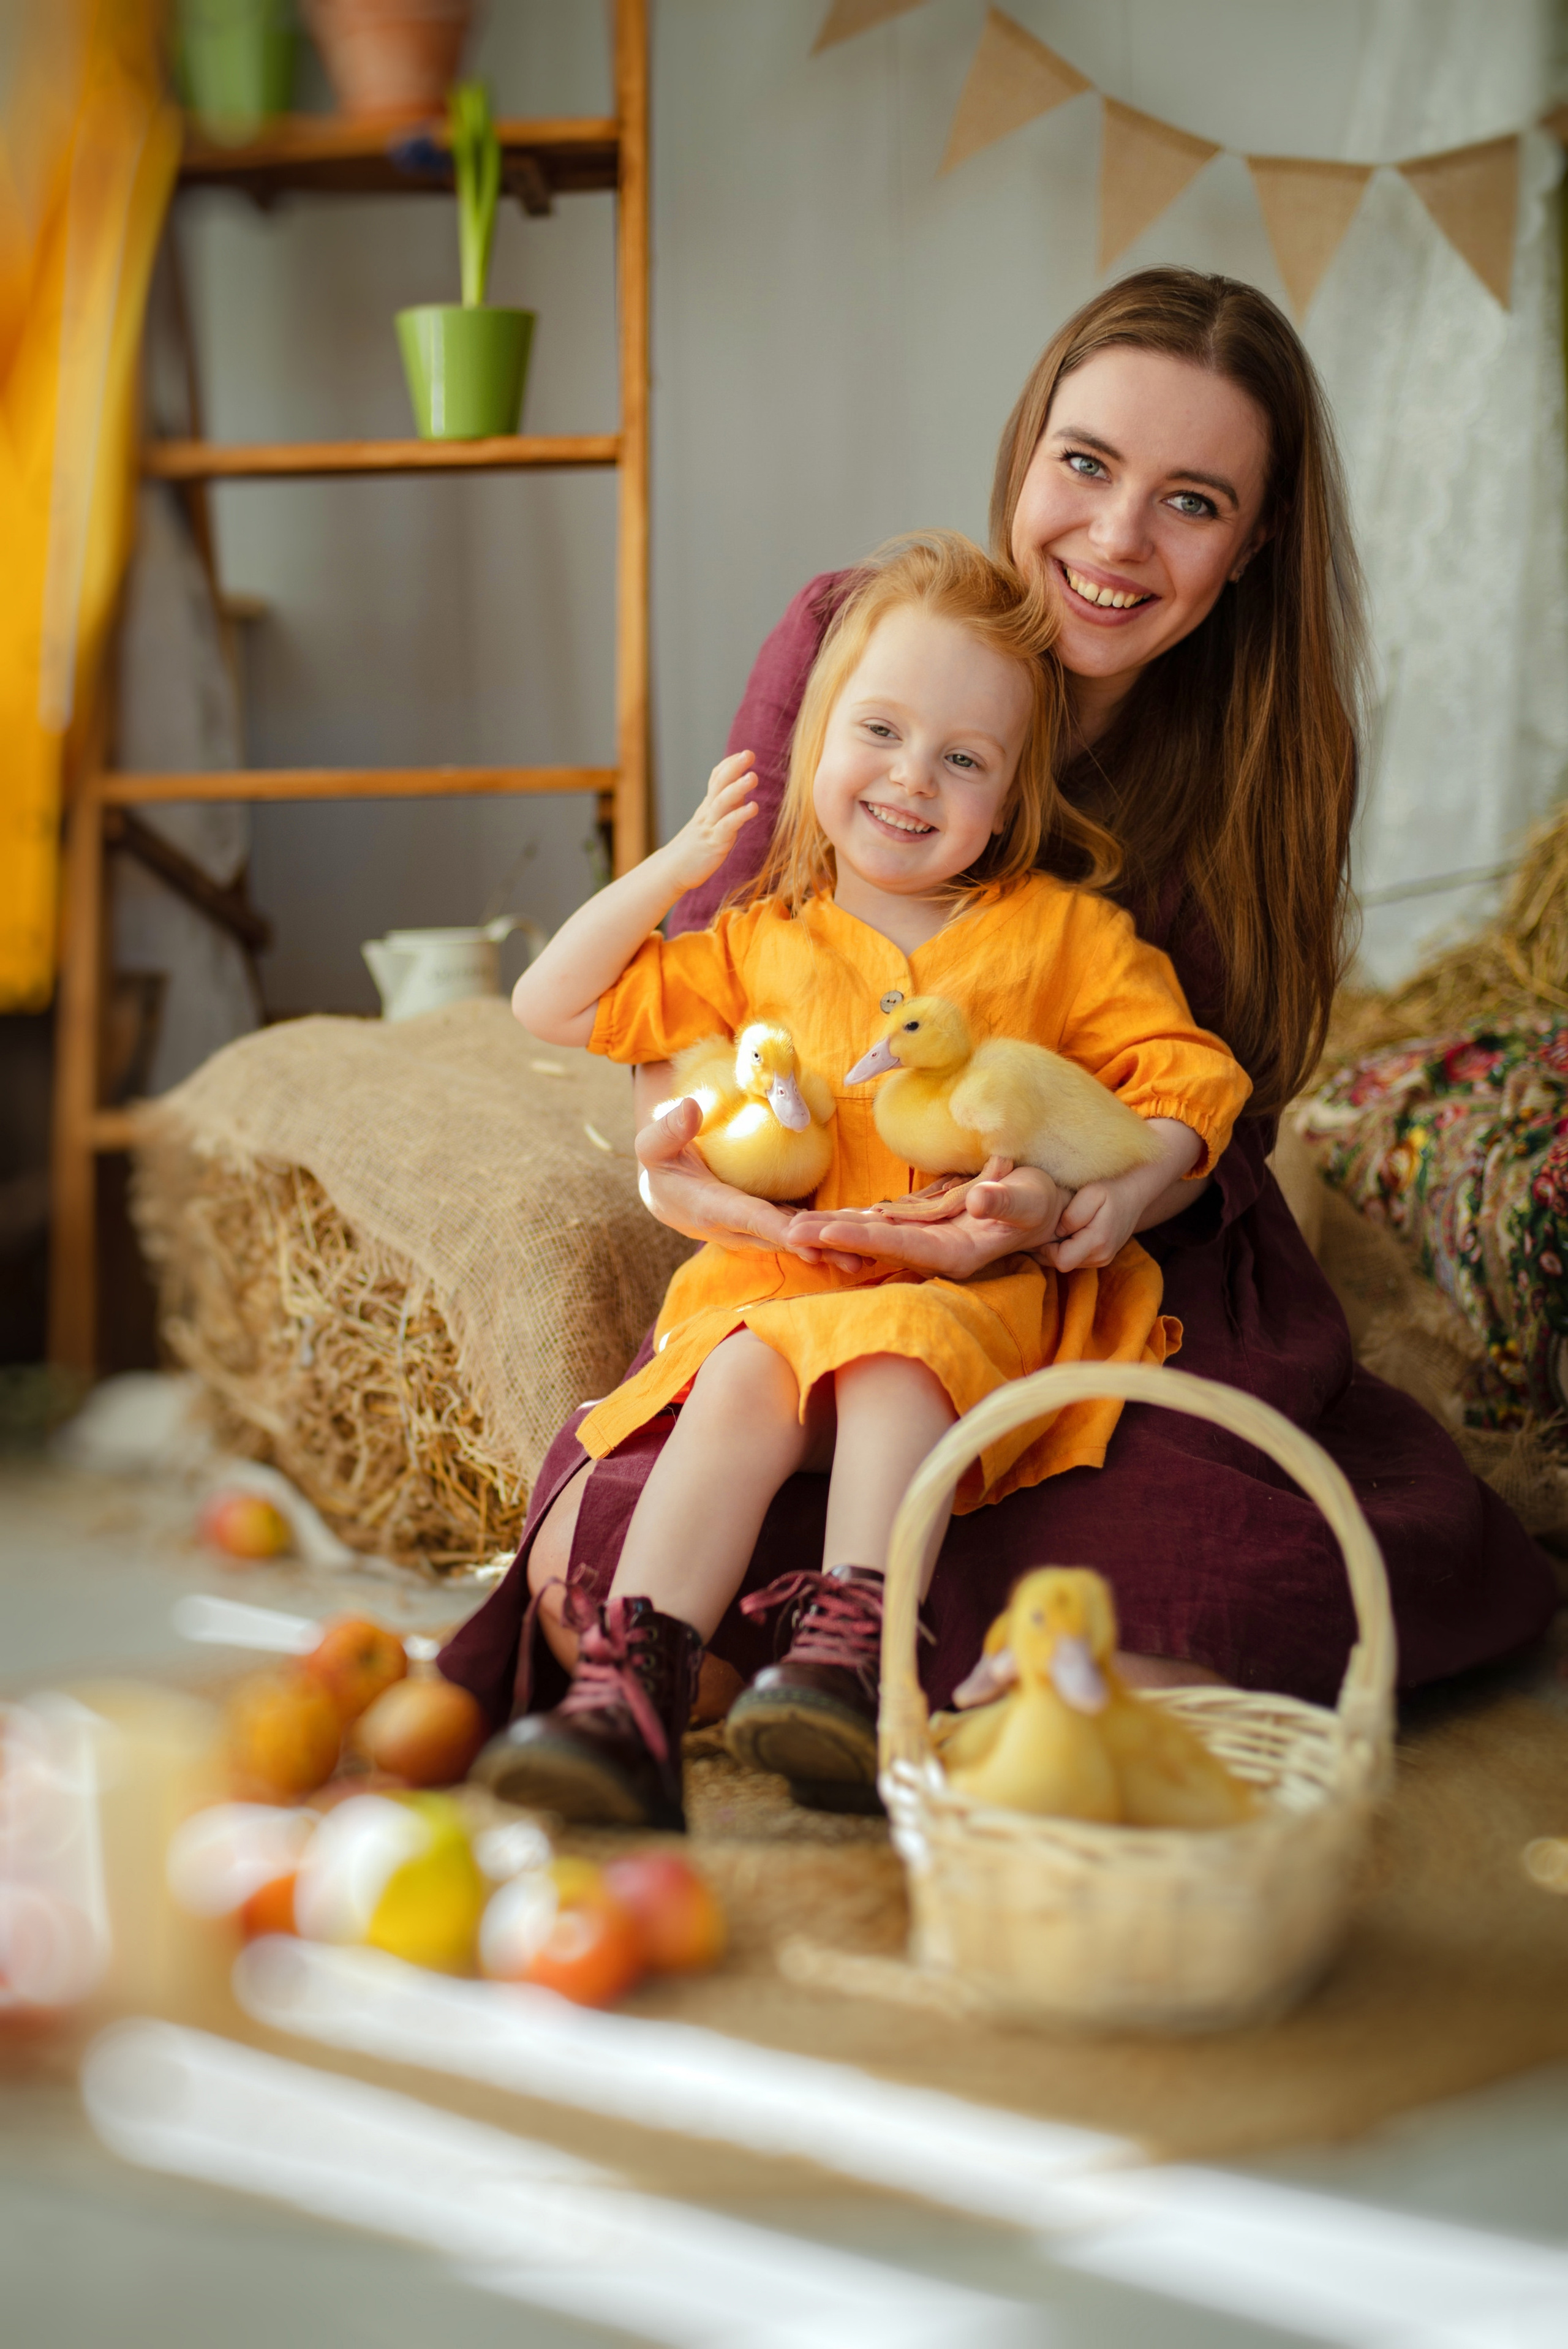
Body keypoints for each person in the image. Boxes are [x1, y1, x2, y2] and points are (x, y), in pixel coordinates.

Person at [441, 268, 1558, 1778]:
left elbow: (1204, 1092)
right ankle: (704, 1668)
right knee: (626, 1526)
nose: (1115, 537)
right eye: (1084, 464)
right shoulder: (856, 633)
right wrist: (689, 1178)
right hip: (814, 1237)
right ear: (1026, 452)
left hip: (1107, 1252)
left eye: (1190, 502)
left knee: (1232, 1568)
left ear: (1253, 543)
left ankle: (874, 1654)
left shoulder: (1255, 760)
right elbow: (713, 982)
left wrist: (1074, 1198)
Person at [472, 532, 1250, 1830]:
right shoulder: (754, 939)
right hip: (780, 1291)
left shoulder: (1063, 935)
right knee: (739, 1375)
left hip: (961, 1299)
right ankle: (633, 1690)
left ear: (1011, 797)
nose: (909, 778)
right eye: (879, 731)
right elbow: (549, 1002)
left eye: (963, 759)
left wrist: (1114, 1192)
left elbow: (1189, 1074)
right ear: (818, 737)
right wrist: (676, 866)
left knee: (894, 1353)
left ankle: (852, 1656)